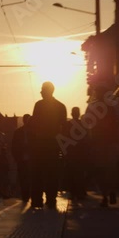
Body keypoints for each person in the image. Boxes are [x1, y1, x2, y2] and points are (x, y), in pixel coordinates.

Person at [29, 81, 67, 209]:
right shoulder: (61, 107)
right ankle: (50, 199)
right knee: (51, 173)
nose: (40, 91)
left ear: (47, 91)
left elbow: (33, 125)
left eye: (42, 89)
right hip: (52, 144)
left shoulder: (38, 105)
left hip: (41, 144)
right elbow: (64, 129)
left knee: (38, 173)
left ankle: (37, 200)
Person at [85, 85, 119, 207]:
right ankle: (111, 190)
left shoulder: (92, 106)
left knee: (100, 169)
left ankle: (105, 195)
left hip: (98, 141)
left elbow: (86, 123)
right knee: (111, 168)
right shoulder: (114, 105)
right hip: (112, 141)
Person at [64, 107, 89, 200]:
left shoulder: (68, 124)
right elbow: (86, 139)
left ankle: (73, 191)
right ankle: (80, 191)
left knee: (71, 173)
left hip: (71, 152)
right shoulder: (83, 124)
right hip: (80, 152)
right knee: (80, 173)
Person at [12, 114, 32, 202]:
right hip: (21, 159)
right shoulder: (18, 132)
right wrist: (17, 158)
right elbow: (14, 146)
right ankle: (25, 195)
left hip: (31, 159)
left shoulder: (33, 132)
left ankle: (29, 194)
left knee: (30, 178)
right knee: (22, 178)